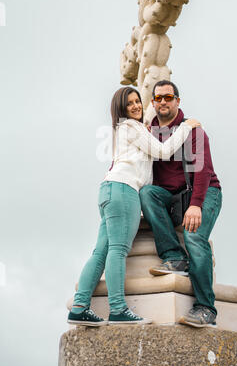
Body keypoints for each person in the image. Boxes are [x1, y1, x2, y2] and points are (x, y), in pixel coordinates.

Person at [67, 86, 201, 327]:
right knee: (118, 250)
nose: (136, 106)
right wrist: (186, 126)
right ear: (122, 109)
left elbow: (149, 113)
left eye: (138, 101)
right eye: (130, 103)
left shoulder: (126, 129)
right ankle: (118, 309)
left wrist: (156, 98)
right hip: (124, 189)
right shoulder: (131, 127)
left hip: (108, 190)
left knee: (100, 253)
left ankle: (79, 307)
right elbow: (162, 151)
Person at [139, 80, 222, 328]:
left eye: (168, 97)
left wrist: (196, 205)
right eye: (158, 98)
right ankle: (175, 257)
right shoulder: (148, 133)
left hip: (204, 192)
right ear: (153, 103)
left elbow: (203, 171)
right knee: (147, 193)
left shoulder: (193, 131)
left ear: (177, 100)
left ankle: (206, 307)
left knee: (194, 236)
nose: (163, 102)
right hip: (171, 197)